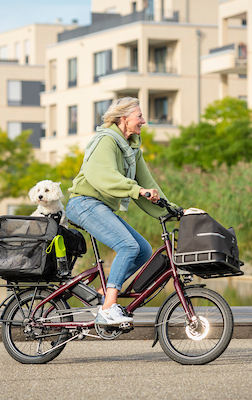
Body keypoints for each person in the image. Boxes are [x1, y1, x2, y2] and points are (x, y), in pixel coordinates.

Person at [66, 97, 175, 326]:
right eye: (139, 116)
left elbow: (148, 184)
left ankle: (102, 294)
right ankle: (107, 308)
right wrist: (136, 190)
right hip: (84, 203)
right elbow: (103, 176)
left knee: (143, 250)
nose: (143, 121)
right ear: (124, 119)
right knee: (127, 246)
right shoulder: (106, 140)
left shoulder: (132, 149)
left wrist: (174, 210)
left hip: (99, 206)